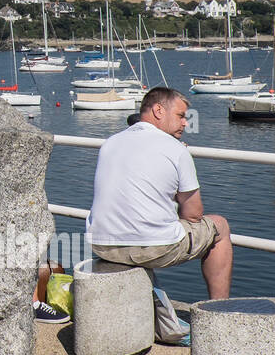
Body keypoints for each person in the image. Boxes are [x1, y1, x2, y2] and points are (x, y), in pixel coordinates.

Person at [85, 87, 233, 303]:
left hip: (101, 243)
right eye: (181, 116)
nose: (186, 123)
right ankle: (219, 310)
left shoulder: (110, 142)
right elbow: (193, 214)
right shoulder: (176, 149)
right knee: (220, 227)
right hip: (151, 248)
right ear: (158, 110)